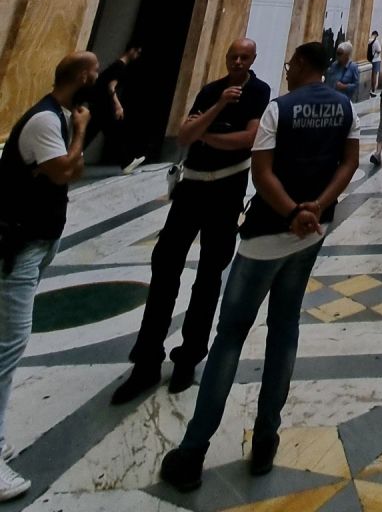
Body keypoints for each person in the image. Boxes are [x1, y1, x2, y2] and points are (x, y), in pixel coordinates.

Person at [159, 41, 359, 492]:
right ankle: (267, 438)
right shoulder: (345, 108)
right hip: (311, 233)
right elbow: (348, 164)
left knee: (230, 335)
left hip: (267, 234)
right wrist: (316, 210)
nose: (286, 70)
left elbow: (261, 172)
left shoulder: (278, 108)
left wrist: (290, 211)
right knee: (285, 330)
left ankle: (193, 450)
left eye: (291, 64)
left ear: (304, 65)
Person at [113, 39, 270, 404]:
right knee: (164, 268)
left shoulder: (259, 92)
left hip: (226, 192)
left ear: (253, 60)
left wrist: (206, 133)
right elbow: (184, 135)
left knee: (210, 275)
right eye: (232, 55)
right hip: (191, 189)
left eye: (244, 56)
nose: (237, 61)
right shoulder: (211, 90)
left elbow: (247, 139)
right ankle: (146, 361)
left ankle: (189, 357)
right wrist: (217, 108)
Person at [0, 52, 97, 500]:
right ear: (80, 77)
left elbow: (70, 173)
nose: (99, 78)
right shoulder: (45, 121)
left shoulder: (56, 117)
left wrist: (72, 150)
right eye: (94, 72)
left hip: (36, 240)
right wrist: (79, 134)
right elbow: (63, 171)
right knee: (8, 347)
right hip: (16, 247)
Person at [89, 43, 144, 172]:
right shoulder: (120, 66)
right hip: (104, 106)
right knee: (112, 133)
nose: (137, 56)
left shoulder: (116, 65)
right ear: (131, 50)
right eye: (137, 52)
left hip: (100, 105)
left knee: (101, 133)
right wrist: (118, 105)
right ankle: (126, 162)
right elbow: (111, 87)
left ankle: (126, 162)